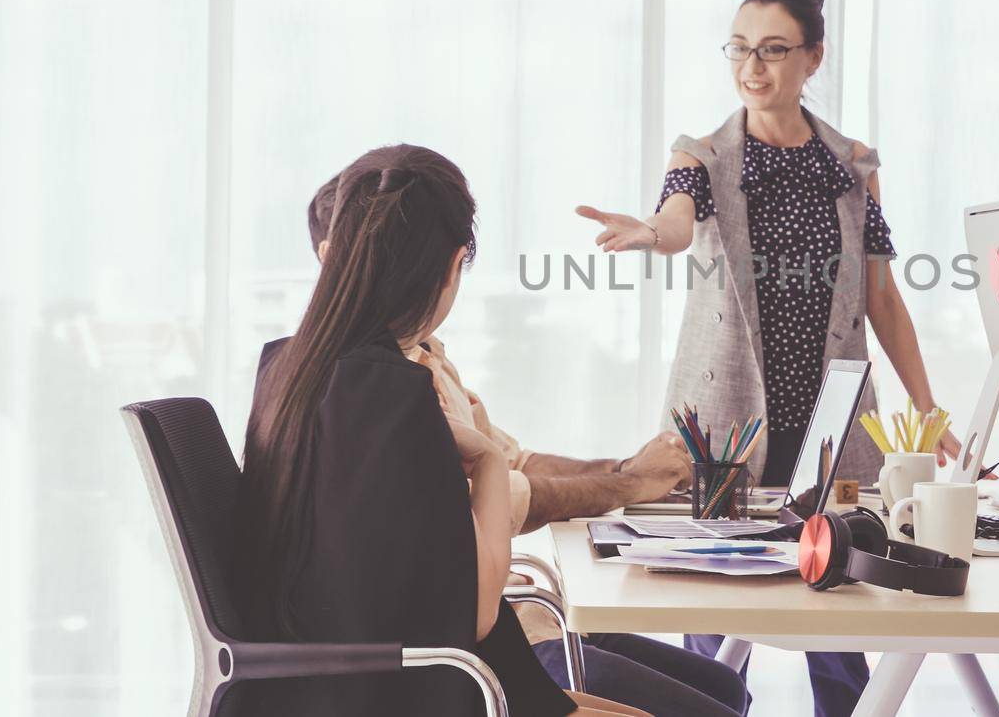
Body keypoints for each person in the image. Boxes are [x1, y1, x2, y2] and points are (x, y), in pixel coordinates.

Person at [577, 0, 947, 717]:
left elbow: (880, 296)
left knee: (836, 600)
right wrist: (652, 233)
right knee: (710, 607)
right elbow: (678, 220)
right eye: (740, 50)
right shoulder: (703, 153)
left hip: (828, 419)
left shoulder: (855, 163)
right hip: (724, 415)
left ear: (814, 57)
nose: (753, 67)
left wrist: (928, 408)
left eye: (774, 50)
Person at [286, 172, 750, 717]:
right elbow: (476, 577)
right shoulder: (384, 396)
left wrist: (629, 470)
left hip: (473, 648)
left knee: (722, 689)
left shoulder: (313, 373)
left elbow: (511, 465)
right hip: (461, 664)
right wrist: (623, 482)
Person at [233, 145, 637, 716]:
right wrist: (489, 460)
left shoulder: (285, 371)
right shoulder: (395, 397)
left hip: (322, 685)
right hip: (416, 688)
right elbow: (476, 613)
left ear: (336, 255)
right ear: (453, 266)